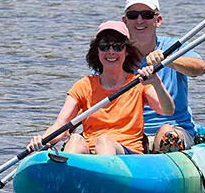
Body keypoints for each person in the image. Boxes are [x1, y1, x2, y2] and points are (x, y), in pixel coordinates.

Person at [27, 19, 175, 157]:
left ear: (126, 51)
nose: (111, 52)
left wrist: (156, 83)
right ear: (97, 51)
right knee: (75, 139)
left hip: (127, 154)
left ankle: (105, 174)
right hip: (92, 154)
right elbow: (61, 125)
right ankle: (67, 173)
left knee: (104, 141)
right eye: (104, 46)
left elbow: (167, 110)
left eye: (117, 46)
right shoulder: (84, 86)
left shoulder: (138, 83)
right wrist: (42, 140)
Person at [121, 0, 205, 153]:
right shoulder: (114, 53)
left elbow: (200, 68)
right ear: (125, 21)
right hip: (130, 134)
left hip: (174, 129)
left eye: (147, 15)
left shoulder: (173, 46)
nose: (139, 20)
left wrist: (169, 60)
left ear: (158, 20)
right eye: (133, 15)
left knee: (166, 133)